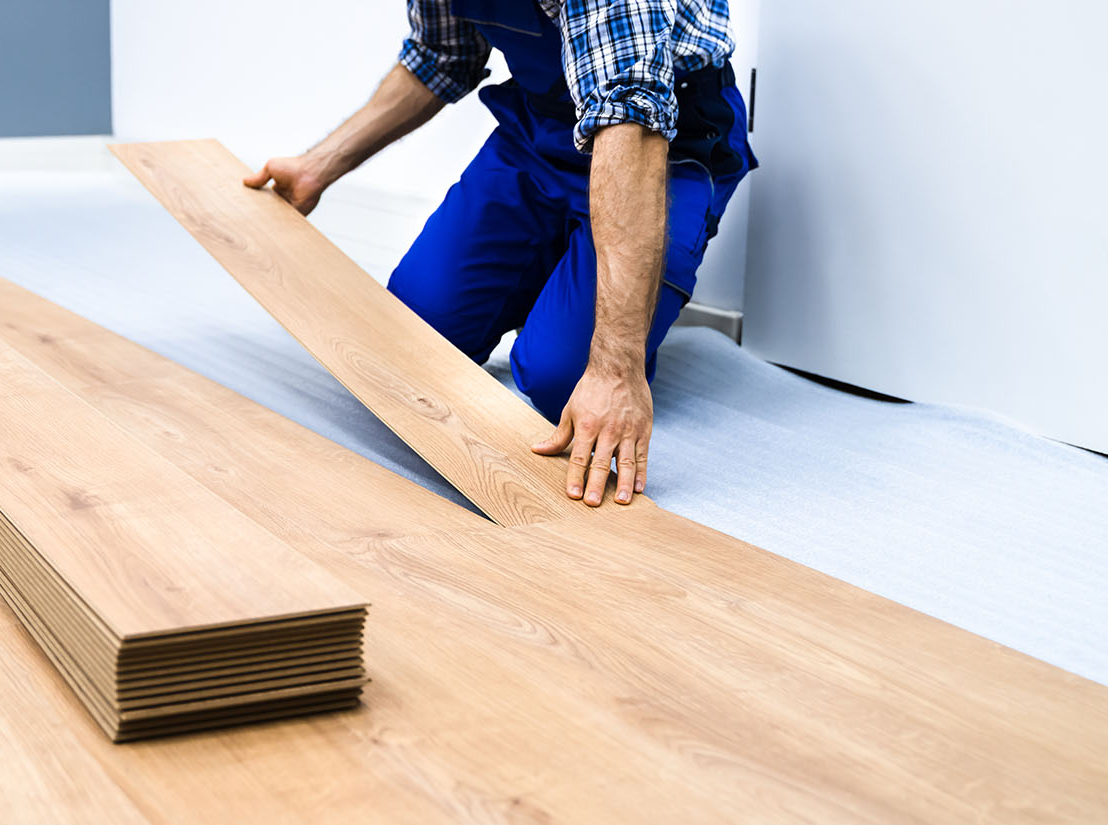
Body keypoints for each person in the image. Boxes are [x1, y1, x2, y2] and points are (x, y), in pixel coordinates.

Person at [244, 0, 755, 507]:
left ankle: (592, 295)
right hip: (543, 132)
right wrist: (317, 167)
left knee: (563, 382)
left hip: (664, 141)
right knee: (418, 339)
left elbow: (630, 121)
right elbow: (441, 58)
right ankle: (564, 269)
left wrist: (617, 369)